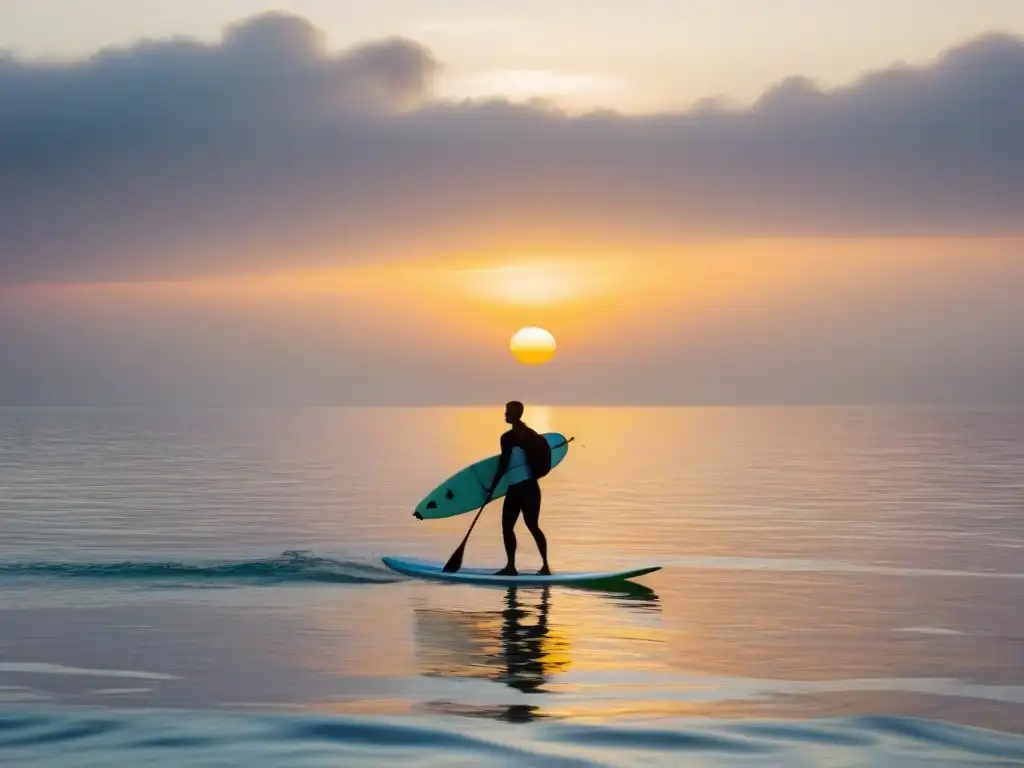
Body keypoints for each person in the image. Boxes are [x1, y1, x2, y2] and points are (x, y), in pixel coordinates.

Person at [486, 401, 551, 576]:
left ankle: (511, 567)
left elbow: (503, 465)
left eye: (507, 412)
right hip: (530, 488)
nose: (505, 414)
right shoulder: (533, 436)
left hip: (517, 490)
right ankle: (545, 566)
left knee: (508, 528)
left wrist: (491, 488)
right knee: (532, 526)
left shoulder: (507, 438)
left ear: (515, 414)